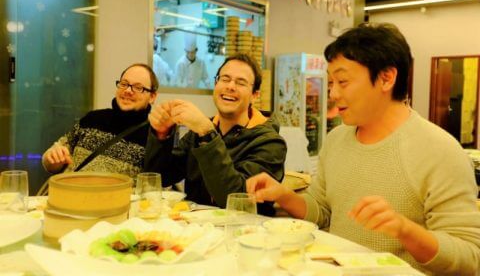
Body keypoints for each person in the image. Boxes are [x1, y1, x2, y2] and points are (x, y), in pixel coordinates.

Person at [247, 23, 480, 274]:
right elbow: (322, 211)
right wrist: (283, 195)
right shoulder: (336, 139)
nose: (333, 93)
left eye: (343, 82)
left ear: (386, 78)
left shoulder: (439, 150)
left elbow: (470, 257)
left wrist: (405, 230)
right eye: (331, 82)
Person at [145, 53, 286, 216]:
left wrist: (207, 134)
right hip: (195, 231)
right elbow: (161, 178)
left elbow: (237, 201)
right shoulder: (199, 132)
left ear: (254, 95)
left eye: (241, 82)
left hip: (243, 234)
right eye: (225, 79)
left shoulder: (270, 143)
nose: (230, 86)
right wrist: (161, 135)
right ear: (216, 83)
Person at [42, 63, 158, 179]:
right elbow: (51, 164)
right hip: (70, 193)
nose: (128, 90)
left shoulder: (154, 136)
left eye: (138, 87)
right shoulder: (92, 119)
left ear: (152, 97)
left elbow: (157, 186)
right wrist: (52, 158)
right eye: (124, 84)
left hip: (116, 197)